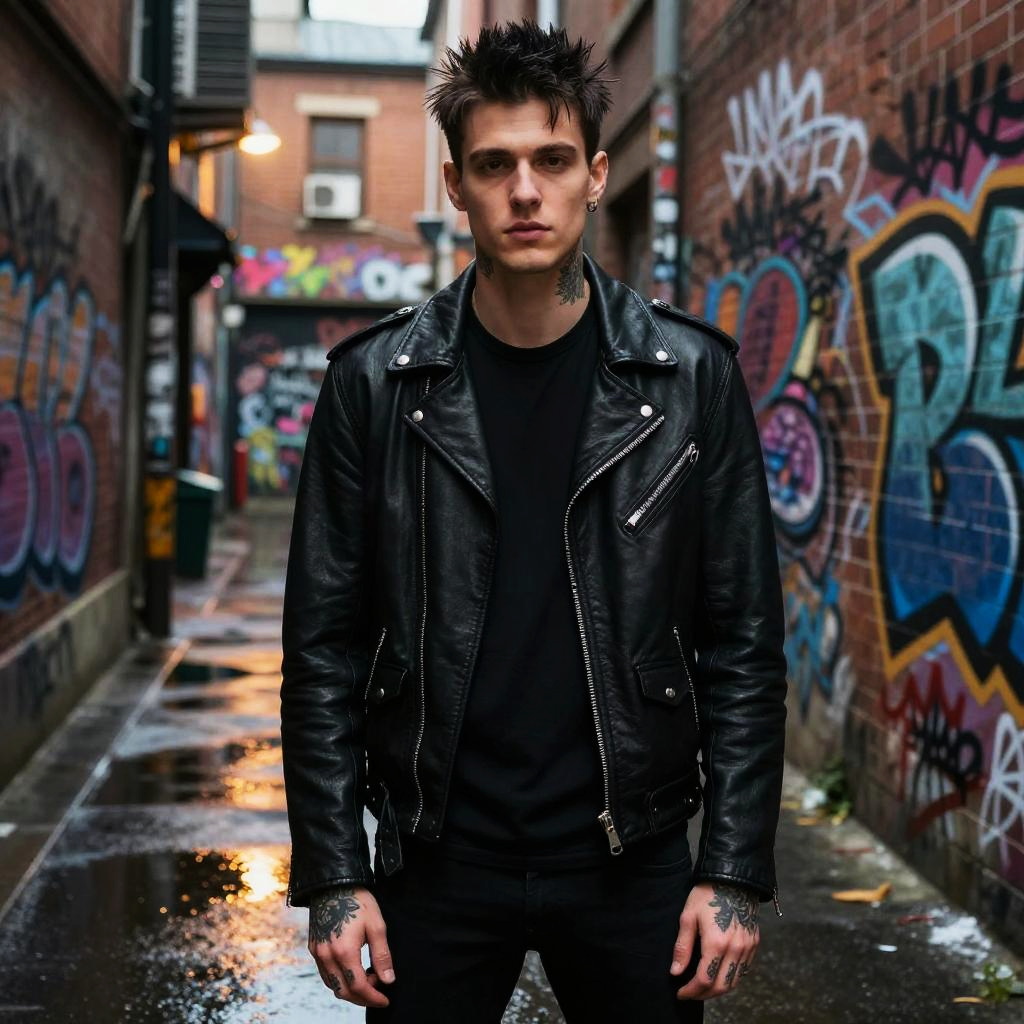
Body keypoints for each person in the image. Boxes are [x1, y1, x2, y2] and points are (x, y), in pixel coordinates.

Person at [280, 19, 786, 1024]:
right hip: (434, 862)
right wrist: (336, 876)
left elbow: (743, 643)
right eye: (494, 163)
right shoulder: (373, 389)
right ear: (456, 183)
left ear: (595, 175)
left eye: (551, 160)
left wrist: (728, 870)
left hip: (628, 857)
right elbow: (323, 649)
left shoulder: (691, 381)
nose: (524, 190)